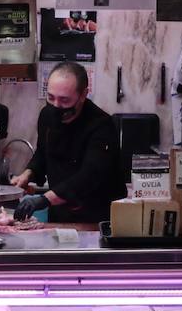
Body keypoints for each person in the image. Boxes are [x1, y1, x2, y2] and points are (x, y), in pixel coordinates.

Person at [11, 62, 125, 224]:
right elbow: (43, 152)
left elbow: (90, 176)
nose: (56, 106)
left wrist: (45, 199)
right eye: (51, 97)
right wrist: (28, 174)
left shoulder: (101, 126)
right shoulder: (47, 115)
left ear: (83, 95)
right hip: (60, 213)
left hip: (97, 217)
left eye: (64, 100)